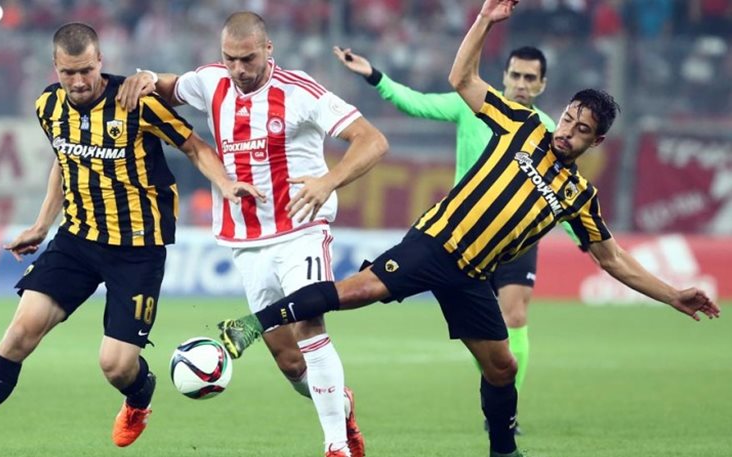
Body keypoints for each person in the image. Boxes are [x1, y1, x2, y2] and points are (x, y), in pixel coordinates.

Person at [216, 1, 721, 456]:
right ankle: (252, 325)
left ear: (598, 141)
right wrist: (484, 20)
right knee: (356, 291)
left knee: (503, 368)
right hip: (436, 243)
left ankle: (504, 451)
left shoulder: (578, 196)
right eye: (568, 119)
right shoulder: (523, 124)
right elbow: (462, 79)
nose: (567, 131)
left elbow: (613, 260)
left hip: (473, 276)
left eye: (581, 129)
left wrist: (673, 294)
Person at [0, 22, 262, 457]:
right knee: (19, 334)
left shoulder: (135, 102)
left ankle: (140, 394)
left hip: (137, 249)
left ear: (100, 61)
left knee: (115, 366)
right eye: (69, 72)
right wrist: (41, 225)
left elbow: (194, 147)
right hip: (77, 241)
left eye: (86, 70)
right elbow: (63, 160)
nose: (79, 81)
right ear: (55, 68)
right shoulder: (48, 105)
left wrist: (226, 185)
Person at [116, 11, 388, 457]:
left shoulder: (300, 91)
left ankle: (336, 445)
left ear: (268, 50)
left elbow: (372, 140)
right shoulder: (212, 82)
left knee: (309, 324)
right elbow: (170, 85)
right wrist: (145, 77)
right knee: (289, 361)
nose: (238, 69)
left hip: (301, 229)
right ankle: (341, 409)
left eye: (247, 59)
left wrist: (328, 182)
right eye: (230, 59)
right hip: (245, 240)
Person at [333, 43, 577, 432]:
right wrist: (374, 76)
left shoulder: (549, 131)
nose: (521, 83)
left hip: (516, 240)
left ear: (542, 85)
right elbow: (416, 103)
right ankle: (496, 397)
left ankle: (507, 418)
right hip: (465, 237)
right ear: (504, 76)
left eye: (530, 78)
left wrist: (585, 239)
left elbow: (564, 194)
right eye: (515, 75)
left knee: (515, 315)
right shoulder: (473, 106)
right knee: (484, 337)